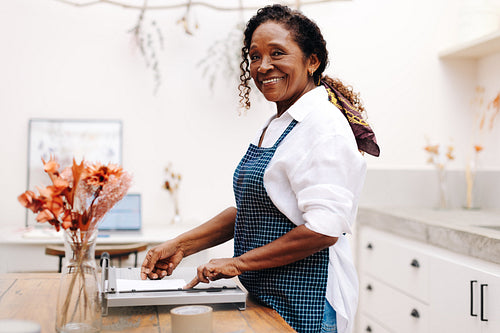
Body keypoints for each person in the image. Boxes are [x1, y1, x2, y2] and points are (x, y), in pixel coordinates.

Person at [141, 4, 379, 333]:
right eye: (254, 56)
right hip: (271, 295)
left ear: (312, 61)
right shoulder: (279, 122)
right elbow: (258, 212)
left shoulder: (323, 126)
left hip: (308, 299)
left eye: (277, 53)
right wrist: (182, 246)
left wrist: (236, 263)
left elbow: (323, 229)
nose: (263, 66)